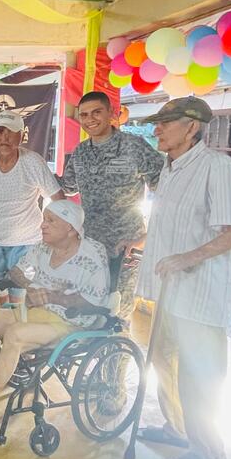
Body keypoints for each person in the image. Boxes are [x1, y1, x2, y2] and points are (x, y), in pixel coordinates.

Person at [134, 97, 231, 459]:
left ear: (192, 127)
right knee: (164, 362)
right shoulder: (170, 167)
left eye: (166, 123)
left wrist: (186, 258)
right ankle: (178, 428)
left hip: (200, 294)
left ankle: (210, 452)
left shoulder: (217, 167)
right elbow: (171, 224)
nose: (157, 129)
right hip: (167, 290)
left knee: (199, 375)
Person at [0, 201, 111, 435]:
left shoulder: (93, 253)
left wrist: (55, 297)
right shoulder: (43, 247)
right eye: (44, 218)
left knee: (15, 334)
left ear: (71, 228)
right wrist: (30, 286)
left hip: (70, 324)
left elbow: (97, 302)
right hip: (34, 314)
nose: (43, 225)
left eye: (51, 221)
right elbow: (17, 272)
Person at [58, 91, 163, 319]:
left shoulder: (134, 147)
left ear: (111, 114)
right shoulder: (81, 152)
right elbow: (67, 187)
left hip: (125, 247)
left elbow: (168, 193)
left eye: (97, 112)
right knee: (87, 310)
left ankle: (120, 355)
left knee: (118, 316)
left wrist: (145, 238)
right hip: (90, 246)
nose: (90, 119)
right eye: (84, 115)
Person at [0, 110, 64, 312]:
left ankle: (14, 333)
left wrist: (54, 234)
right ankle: (8, 328)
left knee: (19, 291)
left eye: (11, 132)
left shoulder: (32, 162)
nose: (4, 137)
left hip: (27, 242)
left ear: (21, 136)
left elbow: (58, 199)